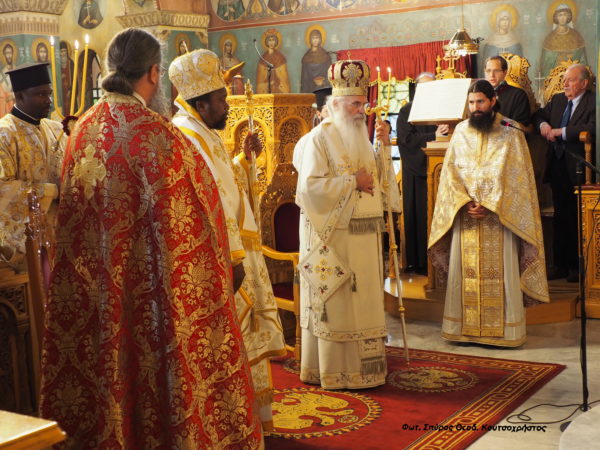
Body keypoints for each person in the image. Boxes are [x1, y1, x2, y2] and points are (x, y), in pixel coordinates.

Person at [39, 28, 262, 448]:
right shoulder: (160, 136)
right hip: (149, 299)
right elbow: (196, 223)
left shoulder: (82, 130)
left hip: (96, 294)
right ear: (154, 74)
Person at [169, 48, 286, 430]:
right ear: (201, 103)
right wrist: (233, 260)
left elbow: (226, 187)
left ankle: (250, 420)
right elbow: (211, 202)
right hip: (223, 257)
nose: (227, 106)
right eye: (221, 99)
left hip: (235, 250)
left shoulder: (204, 132)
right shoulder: (186, 136)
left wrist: (243, 162)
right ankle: (233, 422)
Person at [295, 59, 400, 389]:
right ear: (337, 104)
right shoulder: (318, 139)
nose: (361, 111)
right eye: (354, 104)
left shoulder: (362, 137)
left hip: (365, 240)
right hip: (334, 240)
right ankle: (334, 371)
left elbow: (377, 181)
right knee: (338, 306)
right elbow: (308, 190)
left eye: (363, 104)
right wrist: (352, 181)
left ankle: (366, 370)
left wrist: (384, 148)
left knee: (365, 303)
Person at [429, 79, 549, 347]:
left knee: (501, 274)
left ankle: (505, 332)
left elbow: (517, 179)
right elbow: (450, 174)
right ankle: (463, 330)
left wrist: (490, 203)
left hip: (499, 217)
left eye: (481, 102)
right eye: (471, 103)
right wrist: (465, 201)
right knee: (464, 274)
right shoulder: (460, 132)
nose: (476, 108)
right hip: (466, 216)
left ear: (493, 101)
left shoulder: (511, 131)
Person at [0, 62, 66, 271]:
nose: (48, 100)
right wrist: (52, 191)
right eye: (40, 94)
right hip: (24, 242)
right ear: (20, 96)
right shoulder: (4, 133)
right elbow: (3, 189)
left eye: (49, 94)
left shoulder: (56, 129)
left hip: (59, 235)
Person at [533, 64, 596, 282]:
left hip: (580, 166)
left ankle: (578, 267)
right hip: (557, 164)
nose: (565, 83)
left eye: (570, 79)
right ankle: (560, 264)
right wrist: (543, 125)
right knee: (561, 215)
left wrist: (563, 132)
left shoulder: (593, 101)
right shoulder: (559, 99)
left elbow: (594, 126)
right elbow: (539, 115)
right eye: (564, 79)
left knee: (578, 216)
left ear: (584, 83)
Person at [396, 72, 448, 275]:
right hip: (416, 173)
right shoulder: (407, 111)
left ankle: (443, 262)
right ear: (417, 89)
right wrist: (433, 135)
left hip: (442, 171)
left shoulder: (444, 110)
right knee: (420, 215)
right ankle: (420, 262)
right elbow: (406, 140)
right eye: (424, 87)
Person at [540, 4, 587, 77]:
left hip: (573, 76)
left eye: (565, 15)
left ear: (568, 17)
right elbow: (546, 63)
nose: (562, 18)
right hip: (555, 77)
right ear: (556, 17)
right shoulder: (550, 38)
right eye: (560, 15)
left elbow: (582, 59)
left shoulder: (576, 36)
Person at [484, 55, 531, 126]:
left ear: (505, 72)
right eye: (488, 71)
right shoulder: (479, 94)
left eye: (496, 71)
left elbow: (519, 127)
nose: (492, 75)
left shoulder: (518, 95)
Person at [300, 28, 332, 93]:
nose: (315, 40)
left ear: (320, 39)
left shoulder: (325, 55)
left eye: (317, 38)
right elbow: (304, 78)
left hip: (322, 88)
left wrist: (324, 82)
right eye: (313, 38)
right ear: (310, 40)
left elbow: (330, 74)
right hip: (309, 88)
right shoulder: (306, 57)